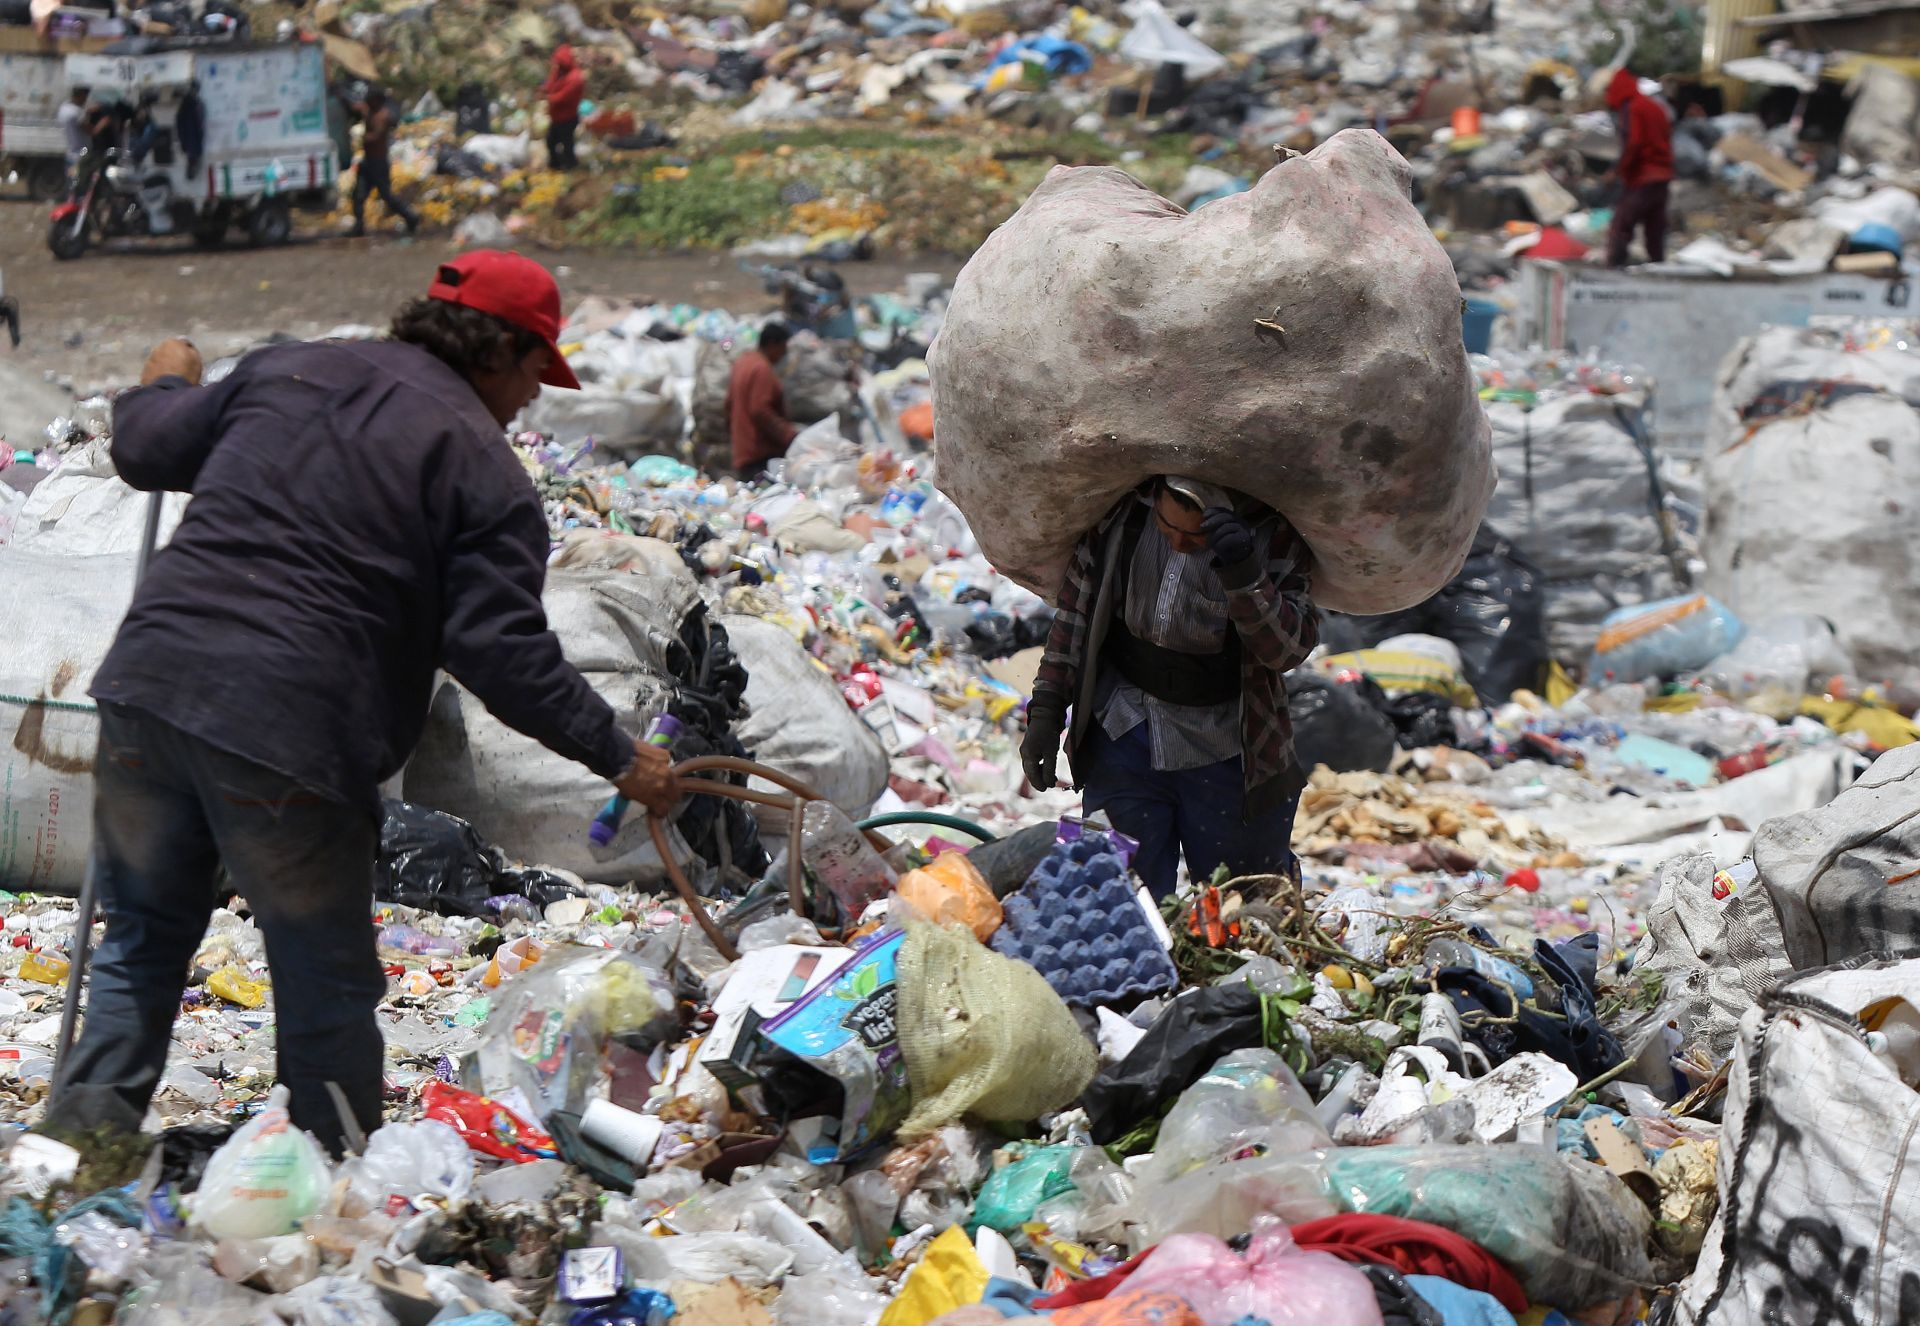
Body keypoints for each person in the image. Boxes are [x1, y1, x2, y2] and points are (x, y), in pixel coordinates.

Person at [48, 251, 679, 1155]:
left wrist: (160, 379)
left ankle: (78, 1162)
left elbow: (146, 447)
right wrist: (620, 756)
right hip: (293, 738)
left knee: (140, 945)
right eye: (540, 367)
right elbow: (501, 653)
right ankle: (334, 1186)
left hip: (151, 693)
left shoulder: (287, 368)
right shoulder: (483, 473)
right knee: (324, 978)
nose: (536, 395)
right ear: (502, 351)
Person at [1021, 479, 1319, 898]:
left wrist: (1244, 572)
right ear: (1153, 499)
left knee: (1242, 907)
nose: (1179, 544)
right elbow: (1075, 619)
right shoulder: (1122, 519)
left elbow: (1287, 651)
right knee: (1118, 894)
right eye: (1167, 528)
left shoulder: (1271, 538)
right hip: (1125, 731)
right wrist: (1048, 711)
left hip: (1228, 753)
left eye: (1196, 536)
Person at [1605, 68, 1674, 269]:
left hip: (1644, 176)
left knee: (1621, 225)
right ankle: (1659, 270)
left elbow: (1633, 143)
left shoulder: (1633, 108)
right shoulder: (1655, 107)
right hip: (1662, 177)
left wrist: (1617, 171)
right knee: (1655, 229)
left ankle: (1612, 272)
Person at [727, 321, 796, 481]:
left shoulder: (742, 363)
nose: (783, 355)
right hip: (759, 453)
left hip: (742, 450)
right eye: (783, 349)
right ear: (772, 345)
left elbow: (728, 404)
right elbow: (759, 409)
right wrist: (788, 435)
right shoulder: (762, 369)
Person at [350, 87, 419, 237]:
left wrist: (363, 138)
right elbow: (357, 107)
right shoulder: (370, 112)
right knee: (358, 195)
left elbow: (376, 136)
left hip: (378, 162)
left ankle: (411, 217)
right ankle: (358, 226)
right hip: (368, 161)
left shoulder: (382, 116)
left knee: (387, 196)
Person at [539, 44, 586, 171]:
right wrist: (544, 90)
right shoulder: (558, 71)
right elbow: (550, 84)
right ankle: (555, 165)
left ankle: (570, 166)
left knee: (567, 143)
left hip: (567, 117)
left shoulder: (575, 77)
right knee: (551, 142)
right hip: (556, 117)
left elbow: (563, 97)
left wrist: (548, 98)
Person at [56, 87, 88, 193]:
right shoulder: (77, 112)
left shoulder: (64, 108)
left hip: (70, 154)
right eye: (85, 96)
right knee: (79, 186)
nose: (86, 100)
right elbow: (90, 129)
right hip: (80, 156)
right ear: (80, 96)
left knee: (71, 185)